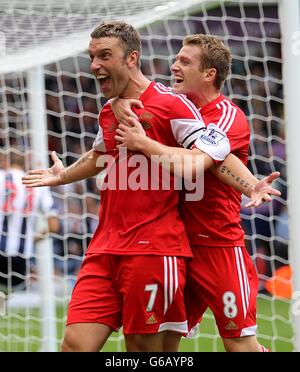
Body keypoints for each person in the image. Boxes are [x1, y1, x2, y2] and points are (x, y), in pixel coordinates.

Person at [22, 22, 278, 352]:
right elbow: (100, 154)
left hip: (175, 246)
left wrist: (250, 185)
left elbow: (212, 155)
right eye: (91, 57)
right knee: (75, 344)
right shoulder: (111, 109)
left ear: (131, 58)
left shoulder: (181, 107)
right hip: (110, 245)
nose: (95, 65)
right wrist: (63, 176)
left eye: (104, 56)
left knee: (174, 348)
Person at [113, 34, 279, 352]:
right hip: (174, 248)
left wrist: (250, 185)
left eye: (184, 61)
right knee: (158, 344)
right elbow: (136, 98)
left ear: (209, 74)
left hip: (218, 248)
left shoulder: (226, 117)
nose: (174, 66)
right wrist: (119, 101)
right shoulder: (172, 109)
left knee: (239, 345)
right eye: (176, 59)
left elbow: (213, 161)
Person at [0, 149, 59, 294]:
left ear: (5, 161)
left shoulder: (2, 177)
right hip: (21, 260)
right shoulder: (37, 184)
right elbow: (54, 226)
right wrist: (30, 240)